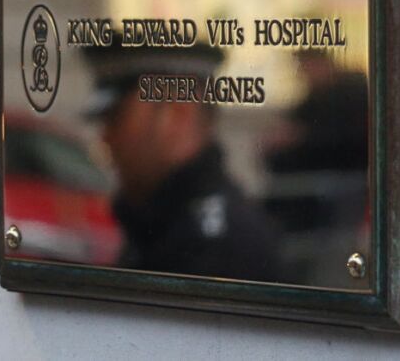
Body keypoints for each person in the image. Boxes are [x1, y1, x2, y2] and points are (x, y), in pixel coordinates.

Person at [84, 40, 280, 282]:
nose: (106, 136)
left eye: (116, 118)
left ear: (178, 113)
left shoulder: (212, 246)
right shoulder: (164, 222)